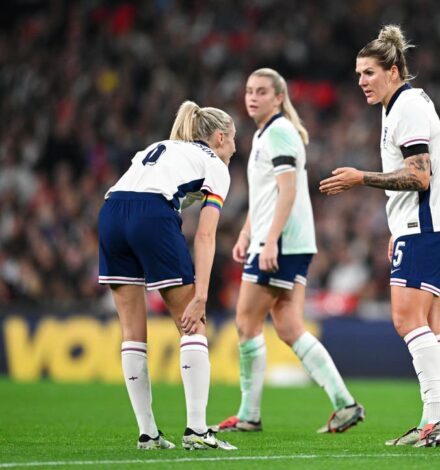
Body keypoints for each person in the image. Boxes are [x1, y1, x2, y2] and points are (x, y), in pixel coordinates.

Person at [319, 25, 440, 448]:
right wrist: (397, 226)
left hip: (428, 227)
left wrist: (361, 178)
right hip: (423, 227)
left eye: (368, 73)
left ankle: (438, 418)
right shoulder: (396, 106)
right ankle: (434, 418)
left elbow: (420, 176)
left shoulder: (408, 108)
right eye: (358, 74)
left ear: (394, 71)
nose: (361, 81)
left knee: (405, 320)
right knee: (428, 323)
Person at [210, 68, 364, 435]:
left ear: (278, 97)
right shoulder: (269, 133)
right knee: (289, 326)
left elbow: (288, 190)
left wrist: (270, 240)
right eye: (249, 90)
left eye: (261, 91)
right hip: (286, 240)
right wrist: (248, 231)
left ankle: (249, 415)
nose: (252, 97)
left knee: (247, 322)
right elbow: (265, 194)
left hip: (281, 242)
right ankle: (344, 403)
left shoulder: (279, 132)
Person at [98, 101, 237, 450]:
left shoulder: (161, 148)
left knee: (132, 332)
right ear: (220, 137)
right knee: (192, 322)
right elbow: (205, 236)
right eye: (234, 139)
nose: (236, 147)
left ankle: (148, 434)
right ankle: (197, 430)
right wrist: (202, 295)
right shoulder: (215, 164)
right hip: (151, 213)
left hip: (111, 211)